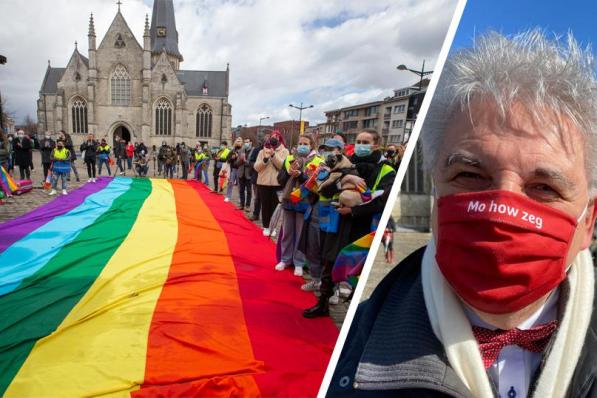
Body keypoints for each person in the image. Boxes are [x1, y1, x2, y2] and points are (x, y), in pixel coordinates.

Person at [329, 31, 597, 398]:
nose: (502, 210)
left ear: (588, 221)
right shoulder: (349, 359)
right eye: (470, 175)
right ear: (436, 188)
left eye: (544, 187)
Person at [305, 129, 395, 318]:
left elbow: (382, 202)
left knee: (356, 270)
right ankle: (323, 303)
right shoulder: (345, 162)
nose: (361, 144)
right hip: (338, 222)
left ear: (376, 145)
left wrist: (353, 210)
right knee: (329, 262)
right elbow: (326, 190)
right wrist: (341, 182)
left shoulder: (386, 170)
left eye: (366, 141)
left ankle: (355, 311)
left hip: (362, 226)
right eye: (359, 140)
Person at [276, 133, 323, 276]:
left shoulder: (318, 161)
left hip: (305, 200)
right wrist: (288, 173)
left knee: (300, 233)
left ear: (312, 146)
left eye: (305, 144)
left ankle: (299, 262)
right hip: (289, 199)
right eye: (300, 143)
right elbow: (280, 179)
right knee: (287, 232)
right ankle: (285, 259)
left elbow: (316, 183)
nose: (302, 146)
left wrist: (300, 175)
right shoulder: (290, 158)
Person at [254, 131, 289, 236]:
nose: (274, 138)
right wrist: (264, 160)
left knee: (275, 206)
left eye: (276, 137)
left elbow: (283, 166)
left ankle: (273, 227)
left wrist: (273, 155)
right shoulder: (262, 151)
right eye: (272, 137)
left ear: (280, 138)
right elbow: (256, 167)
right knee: (265, 206)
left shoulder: (285, 151)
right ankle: (265, 226)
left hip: (277, 183)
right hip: (263, 183)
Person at [248, 132, 269, 221]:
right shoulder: (257, 150)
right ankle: (256, 214)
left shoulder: (274, 151)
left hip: (268, 178)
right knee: (257, 197)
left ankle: (267, 216)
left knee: (267, 199)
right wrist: (258, 165)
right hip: (257, 177)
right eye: (267, 140)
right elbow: (251, 161)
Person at [237, 137, 254, 211]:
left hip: (249, 174)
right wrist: (241, 160)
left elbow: (253, 164)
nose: (246, 143)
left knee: (249, 191)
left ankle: (248, 206)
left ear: (251, 142)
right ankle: (242, 205)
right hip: (241, 173)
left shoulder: (254, 151)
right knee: (241, 190)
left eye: (247, 142)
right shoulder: (241, 150)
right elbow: (236, 163)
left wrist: (245, 161)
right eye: (245, 142)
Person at [225, 138, 243, 202]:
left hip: (240, 169)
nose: (238, 142)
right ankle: (228, 196)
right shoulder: (232, 151)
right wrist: (232, 158)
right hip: (233, 169)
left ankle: (240, 198)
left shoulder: (242, 150)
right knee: (230, 183)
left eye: (240, 141)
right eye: (237, 141)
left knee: (239, 185)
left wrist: (239, 157)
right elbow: (227, 159)